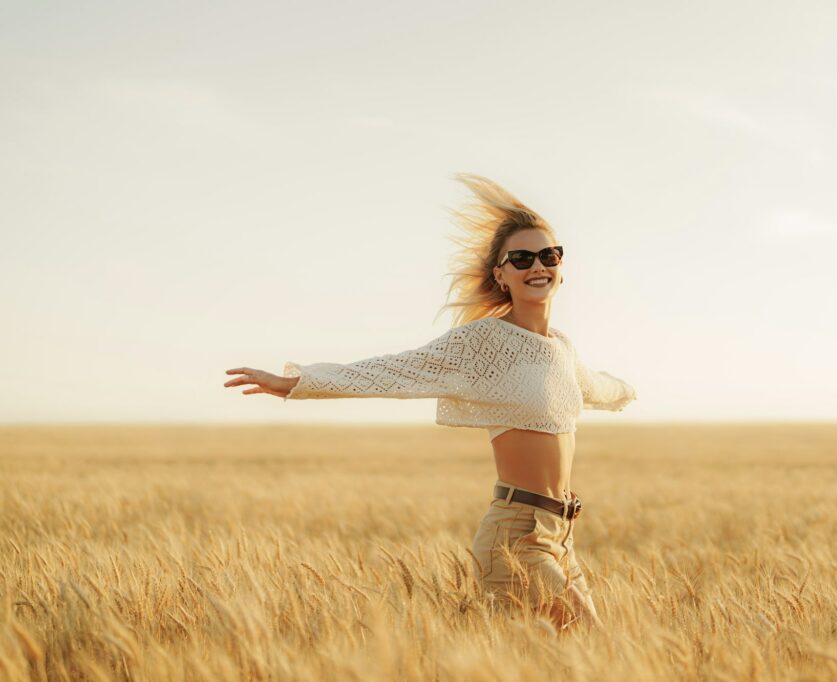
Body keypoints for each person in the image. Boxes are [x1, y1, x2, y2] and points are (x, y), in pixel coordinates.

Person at [224, 173, 637, 632]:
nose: (537, 265)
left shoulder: (561, 346)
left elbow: (592, 387)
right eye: (521, 258)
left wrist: (629, 391)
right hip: (516, 536)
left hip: (561, 532)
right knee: (593, 646)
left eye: (548, 255)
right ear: (500, 274)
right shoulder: (483, 342)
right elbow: (396, 370)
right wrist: (301, 382)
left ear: (561, 265)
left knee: (587, 657)